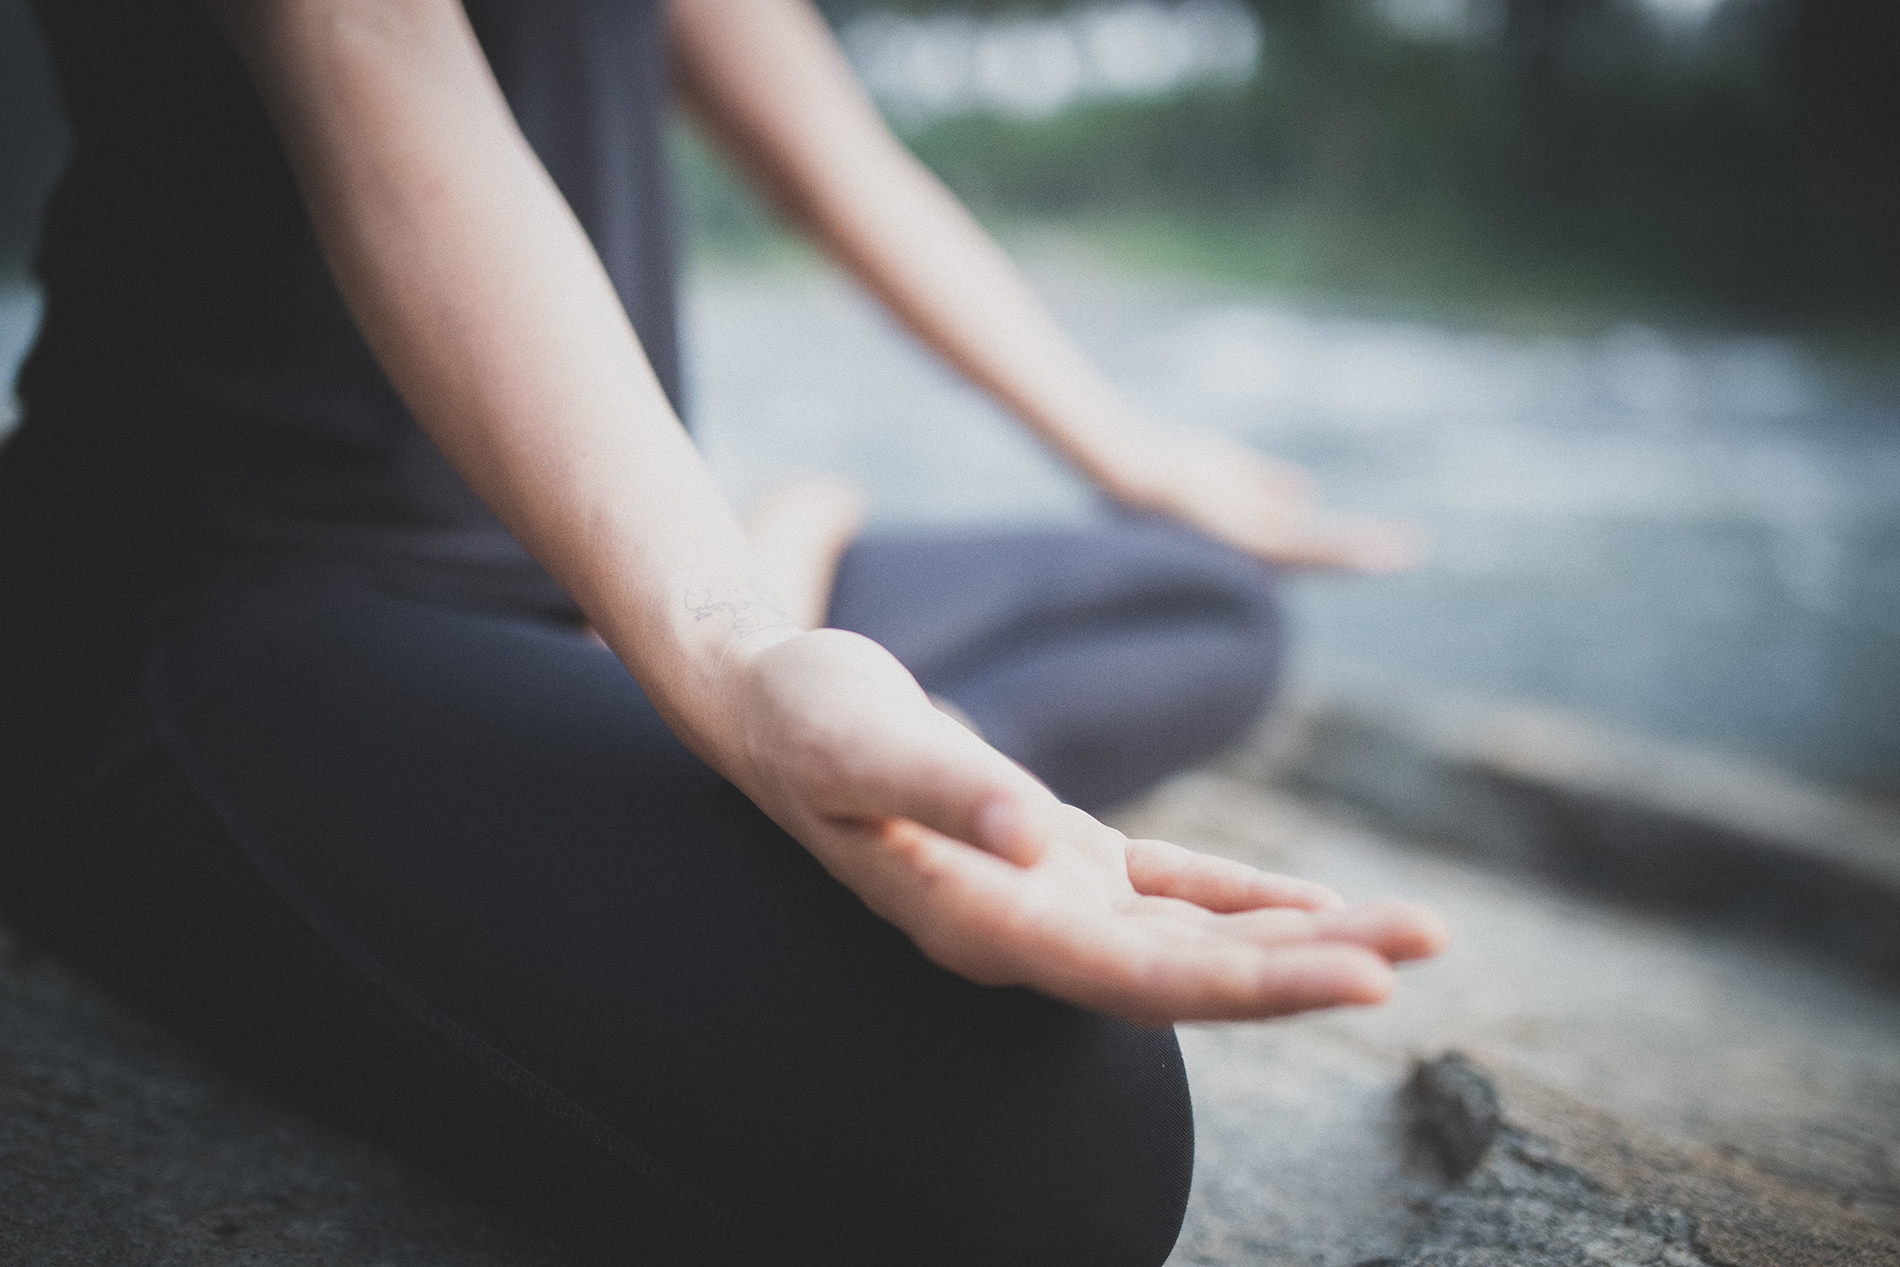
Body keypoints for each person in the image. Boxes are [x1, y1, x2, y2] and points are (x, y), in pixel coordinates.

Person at [0, 0, 1446, 1263]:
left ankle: (825, 738)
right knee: (1060, 1129)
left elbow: (840, 158)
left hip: (620, 569)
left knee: (1197, 596)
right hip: (241, 600)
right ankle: (784, 733)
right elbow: (371, 40)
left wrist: (1133, 458)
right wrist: (743, 659)